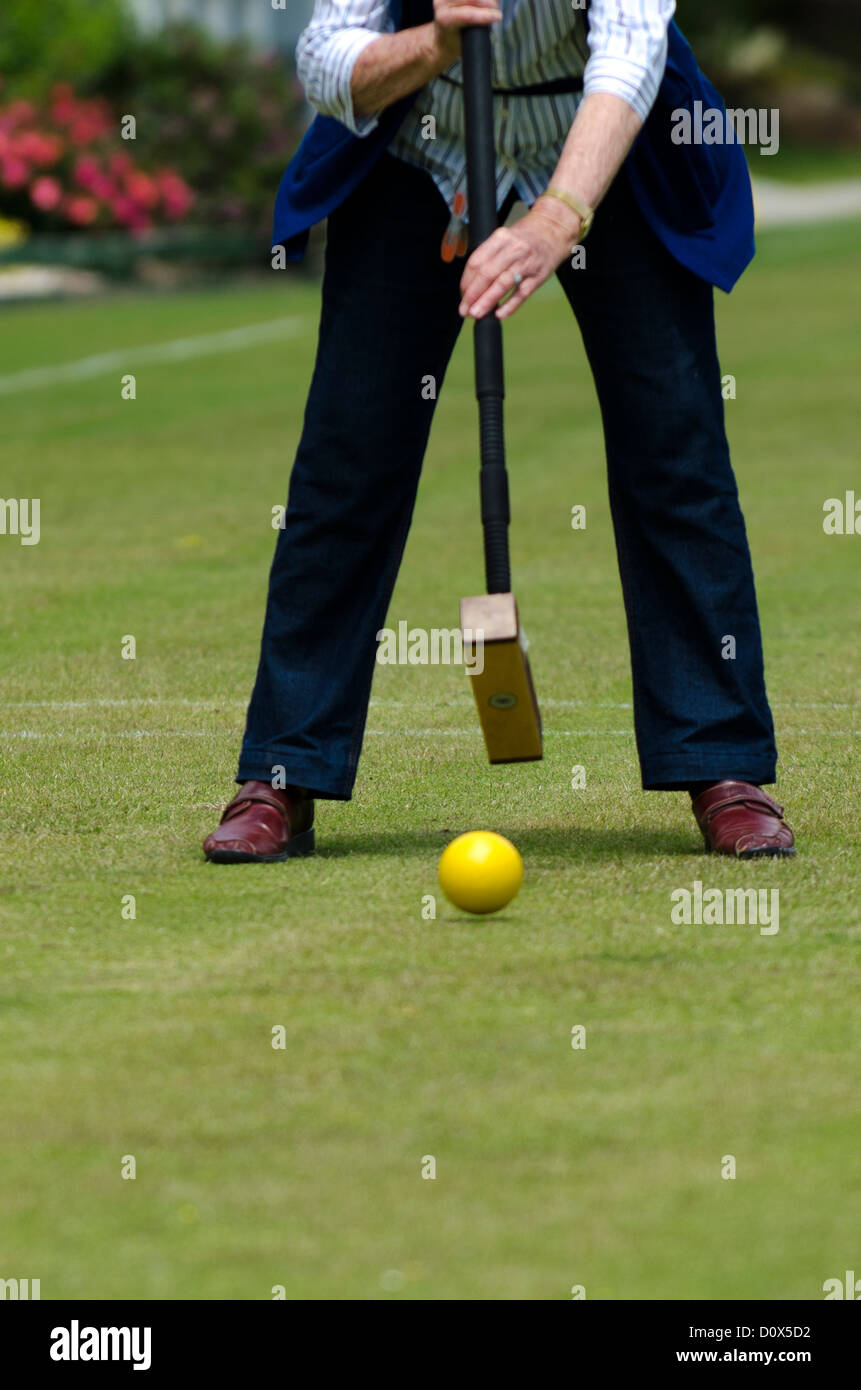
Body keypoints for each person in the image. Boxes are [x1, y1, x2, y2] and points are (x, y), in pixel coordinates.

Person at [203, 0, 795, 864]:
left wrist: (556, 217)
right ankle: (284, 771)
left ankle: (721, 763)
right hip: (421, 145)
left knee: (676, 453)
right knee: (346, 461)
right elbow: (327, 62)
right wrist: (438, 41)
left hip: (604, 147)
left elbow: (631, 49)